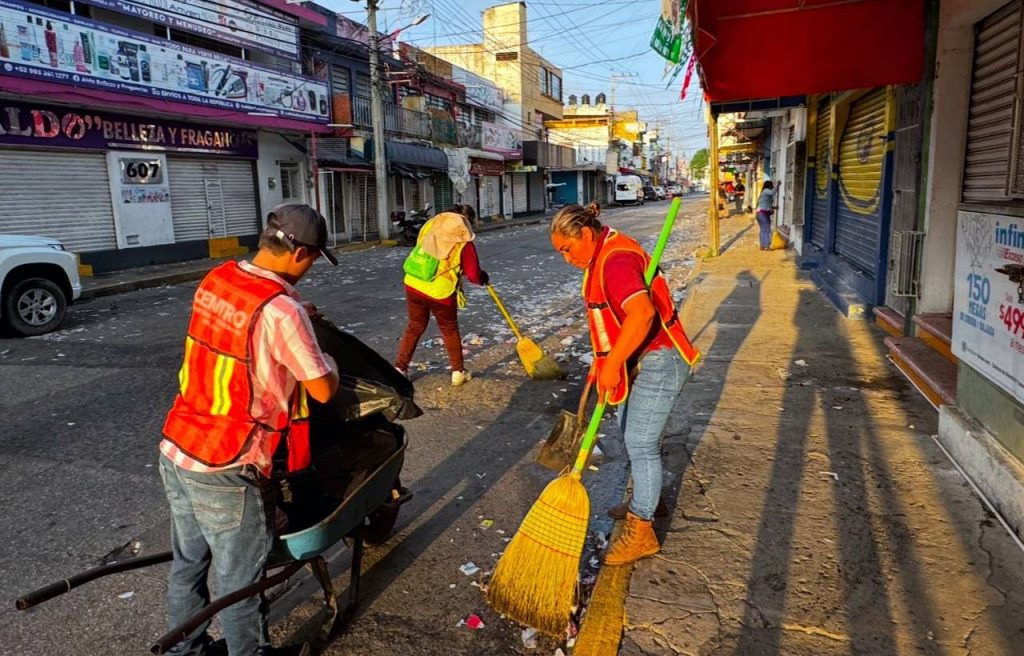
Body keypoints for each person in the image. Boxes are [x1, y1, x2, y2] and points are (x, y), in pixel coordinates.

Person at [159, 203, 340, 656]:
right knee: (241, 585)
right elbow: (321, 390)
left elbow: (244, 321)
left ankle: (187, 652)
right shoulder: (282, 312)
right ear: (300, 253)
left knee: (187, 565)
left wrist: (296, 310)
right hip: (229, 461)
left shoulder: (218, 279)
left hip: (180, 445)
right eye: (315, 258)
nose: (312, 267)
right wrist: (329, 361)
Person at [549, 202, 700, 565]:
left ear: (585, 234)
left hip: (659, 361)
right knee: (628, 429)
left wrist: (614, 361)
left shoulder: (615, 262)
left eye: (567, 249)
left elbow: (643, 313)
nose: (566, 258)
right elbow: (609, 322)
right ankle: (647, 498)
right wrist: (604, 362)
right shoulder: (601, 254)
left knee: (641, 442)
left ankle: (641, 529)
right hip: (638, 361)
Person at [394, 207, 489, 386]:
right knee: (449, 330)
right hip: (440, 292)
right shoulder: (464, 242)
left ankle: (400, 368)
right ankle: (458, 372)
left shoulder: (431, 227)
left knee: (415, 326)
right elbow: (474, 275)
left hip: (414, 283)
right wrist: (483, 277)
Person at [756, 180, 777, 250]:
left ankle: (762, 245)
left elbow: (765, 204)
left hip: (760, 213)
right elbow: (773, 192)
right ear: (769, 186)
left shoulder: (764, 193)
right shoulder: (766, 190)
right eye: (772, 185)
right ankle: (766, 246)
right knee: (767, 229)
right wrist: (778, 185)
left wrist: (774, 207)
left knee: (763, 230)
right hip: (763, 214)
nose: (772, 187)